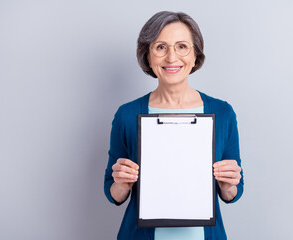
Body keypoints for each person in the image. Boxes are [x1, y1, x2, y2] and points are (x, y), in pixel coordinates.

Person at [104, 11, 244, 240]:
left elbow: (231, 193)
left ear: (196, 55)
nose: (171, 58)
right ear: (148, 56)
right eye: (160, 47)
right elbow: (113, 193)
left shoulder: (222, 113)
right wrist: (121, 183)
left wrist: (228, 184)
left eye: (181, 46)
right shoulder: (127, 115)